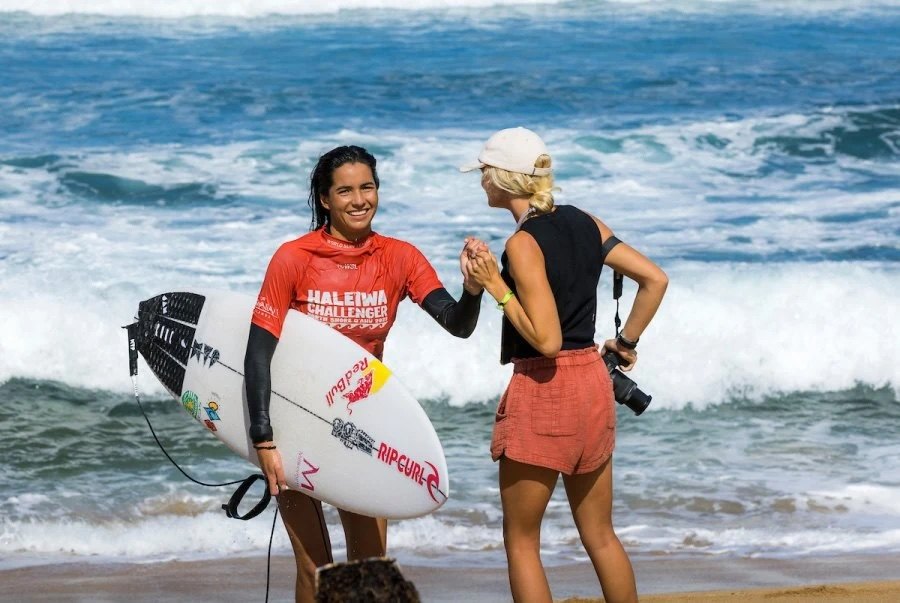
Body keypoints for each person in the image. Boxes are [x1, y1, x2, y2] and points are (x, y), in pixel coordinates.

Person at [244, 145, 484, 603]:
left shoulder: (399, 257)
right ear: (325, 199)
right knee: (316, 568)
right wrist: (263, 438)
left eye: (367, 187)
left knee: (370, 569)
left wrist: (472, 290)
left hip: (363, 425)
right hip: (296, 425)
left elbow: (457, 323)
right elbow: (258, 352)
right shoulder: (293, 257)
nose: (359, 200)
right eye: (345, 191)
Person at [461, 127, 668, 603]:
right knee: (600, 535)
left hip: (544, 388)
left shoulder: (522, 244)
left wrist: (496, 287)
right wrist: (625, 342)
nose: (481, 181)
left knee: (521, 542)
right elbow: (654, 279)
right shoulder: (586, 221)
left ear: (504, 178)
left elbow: (547, 341)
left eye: (484, 172)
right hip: (592, 382)